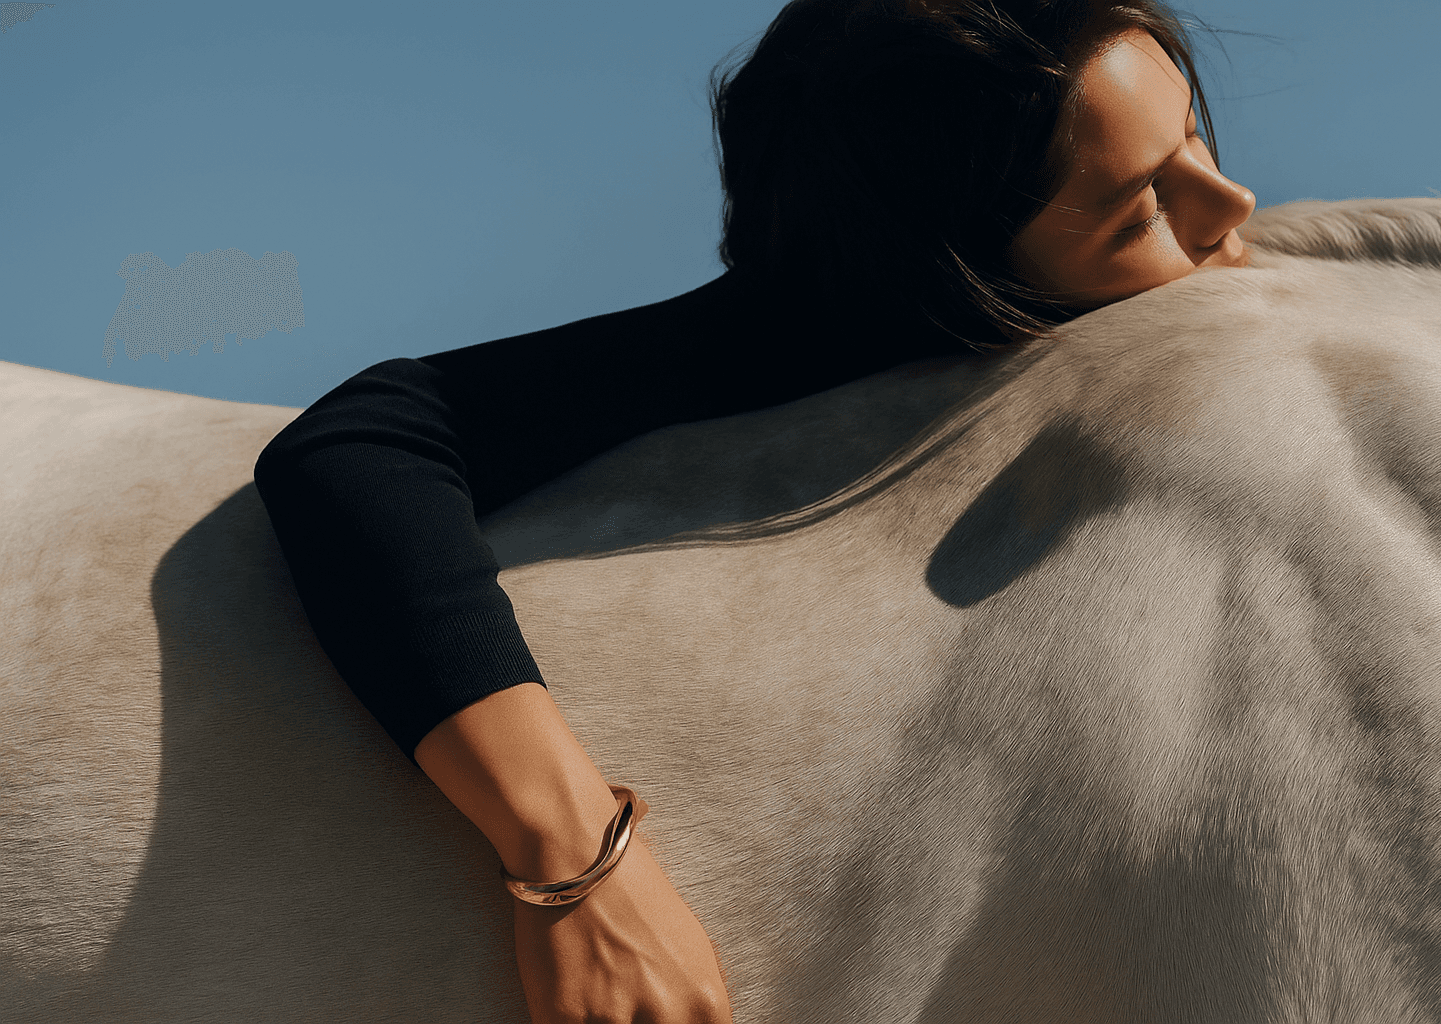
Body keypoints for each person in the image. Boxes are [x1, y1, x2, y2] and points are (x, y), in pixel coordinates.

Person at [252, 1, 1255, 1021]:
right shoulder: (800, 336)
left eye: (1193, 138)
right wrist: (575, 863)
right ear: (952, 272)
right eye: (1142, 211)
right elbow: (354, 447)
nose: (1233, 201)